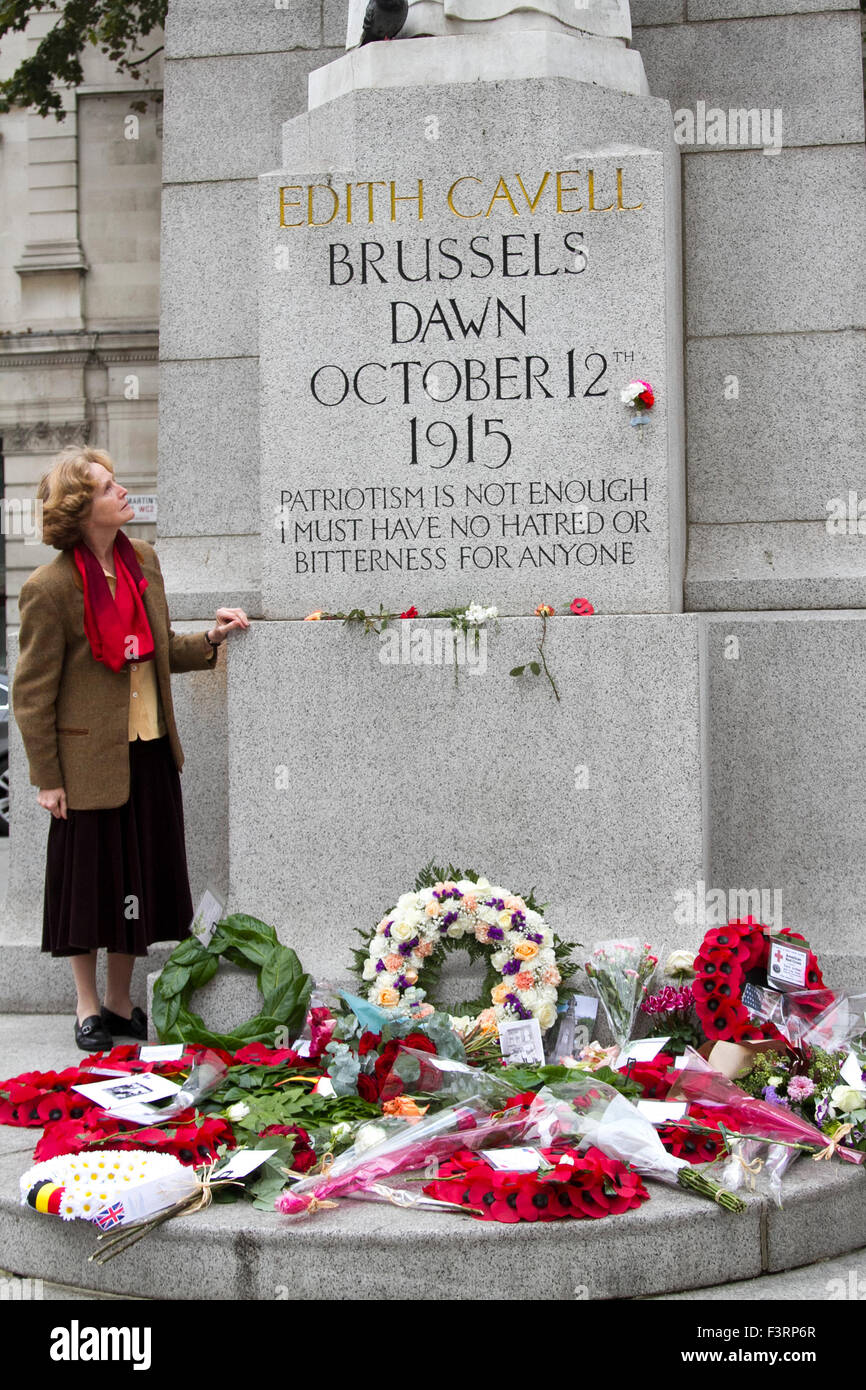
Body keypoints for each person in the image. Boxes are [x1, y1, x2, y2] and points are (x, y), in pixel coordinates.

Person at [12, 446, 250, 1050]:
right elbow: (32, 694)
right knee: (88, 884)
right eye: (108, 486)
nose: (123, 492)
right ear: (80, 507)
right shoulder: (50, 587)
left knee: (135, 878)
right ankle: (86, 1003)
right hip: (87, 763)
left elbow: (159, 646)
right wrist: (47, 778)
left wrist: (213, 640)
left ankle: (120, 1001)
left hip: (149, 750)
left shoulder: (142, 559)